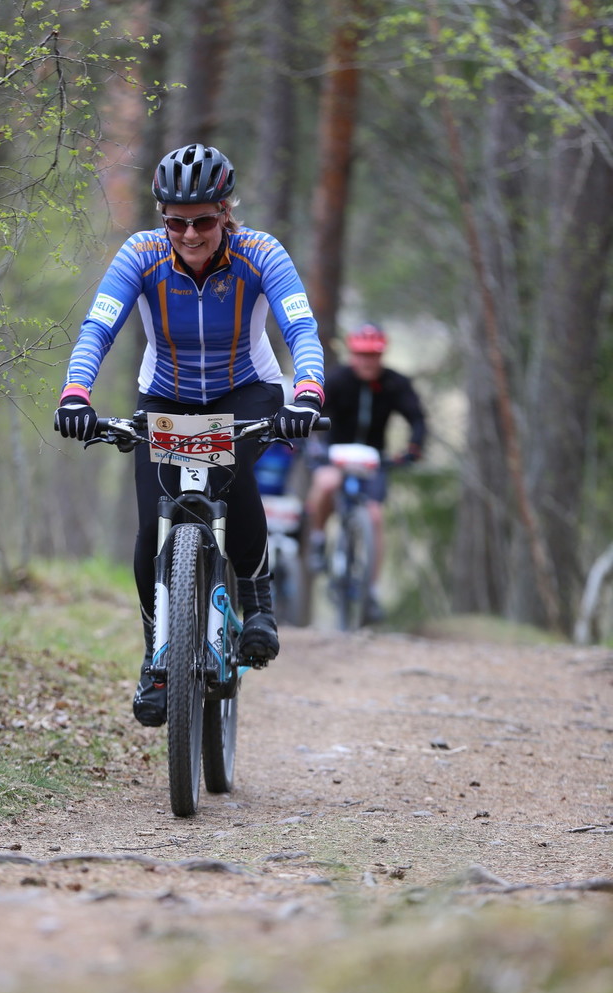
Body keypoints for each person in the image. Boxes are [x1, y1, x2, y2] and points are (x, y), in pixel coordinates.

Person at [54, 143, 325, 726]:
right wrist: (76, 394)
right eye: (176, 222)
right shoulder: (142, 253)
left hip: (246, 390)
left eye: (203, 220)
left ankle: (257, 602)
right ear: (163, 218)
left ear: (226, 212)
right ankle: (158, 659)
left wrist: (306, 394)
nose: (190, 234)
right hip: (166, 395)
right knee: (152, 521)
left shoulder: (261, 253)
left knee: (231, 471)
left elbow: (301, 328)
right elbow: (98, 327)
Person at [306, 322, 426, 621]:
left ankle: (371, 591)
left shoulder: (395, 383)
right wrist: (311, 446)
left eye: (373, 355)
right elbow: (311, 412)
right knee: (326, 483)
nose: (367, 361)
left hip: (373, 460)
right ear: (352, 354)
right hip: (334, 454)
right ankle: (318, 539)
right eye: (361, 354)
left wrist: (414, 447)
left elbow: (416, 418)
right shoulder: (337, 380)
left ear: (381, 355)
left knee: (374, 516)